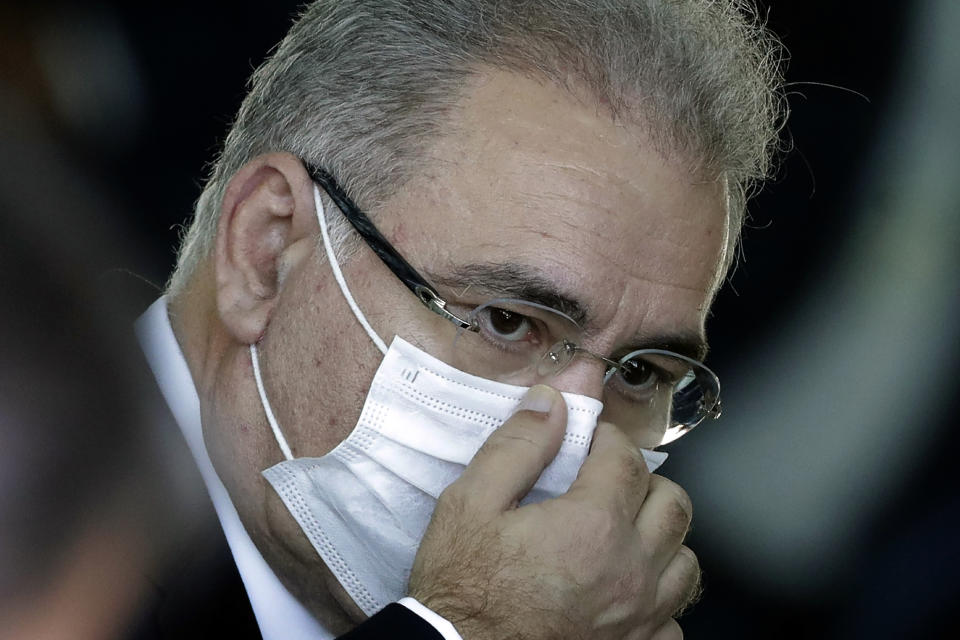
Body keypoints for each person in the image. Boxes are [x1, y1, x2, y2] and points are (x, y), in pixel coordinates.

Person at [137, 1, 785, 638]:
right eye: (507, 320)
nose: (572, 447)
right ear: (267, 251)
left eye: (640, 372)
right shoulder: (49, 528)